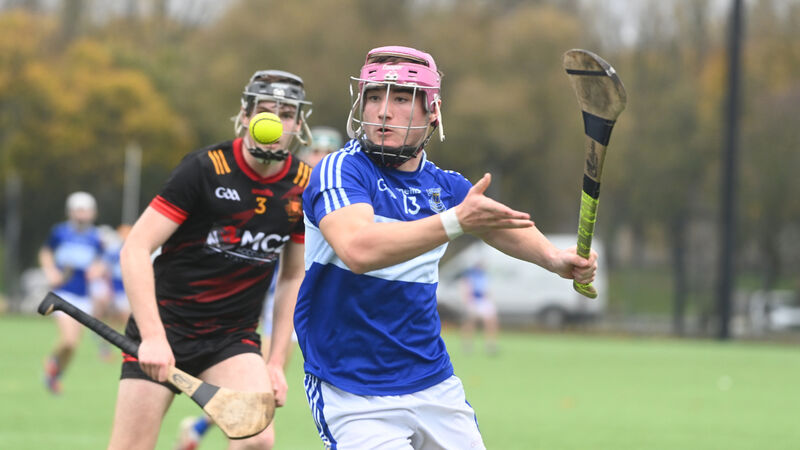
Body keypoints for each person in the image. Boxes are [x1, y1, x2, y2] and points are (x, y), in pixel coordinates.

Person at [294, 45, 598, 449]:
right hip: (352, 389)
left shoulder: (445, 185)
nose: (383, 111)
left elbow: (498, 225)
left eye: (401, 99)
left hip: (432, 383)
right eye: (373, 97)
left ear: (432, 112)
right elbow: (358, 249)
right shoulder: (340, 170)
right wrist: (455, 222)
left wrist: (554, 258)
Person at [108, 69, 313, 450]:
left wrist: (275, 362)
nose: (275, 121)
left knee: (258, 439)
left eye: (286, 114)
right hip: (165, 327)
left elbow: (292, 277)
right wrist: (153, 338)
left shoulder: (304, 185)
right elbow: (135, 247)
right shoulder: (204, 168)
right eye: (266, 110)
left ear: (298, 124)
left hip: (230, 340)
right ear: (245, 116)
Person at [174, 126, 343, 450]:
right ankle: (219, 431)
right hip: (281, 300)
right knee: (265, 380)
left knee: (270, 381)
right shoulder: (296, 190)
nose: (321, 157)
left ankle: (200, 429)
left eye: (328, 152)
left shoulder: (341, 195)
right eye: (316, 151)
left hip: (321, 299)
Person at [40, 191, 105, 394]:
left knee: (73, 346)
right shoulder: (60, 232)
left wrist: (97, 270)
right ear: (70, 212)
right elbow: (45, 252)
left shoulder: (95, 237)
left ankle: (54, 375)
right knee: (68, 340)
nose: (82, 214)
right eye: (78, 210)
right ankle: (51, 363)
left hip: (84, 296)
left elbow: (102, 260)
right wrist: (51, 271)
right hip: (62, 294)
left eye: (85, 210)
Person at [460, 261, 499, 355]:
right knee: (470, 323)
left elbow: (487, 290)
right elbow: (466, 289)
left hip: (484, 301)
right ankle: (467, 344)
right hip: (473, 300)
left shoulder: (485, 276)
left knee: (491, 322)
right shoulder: (470, 276)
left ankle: (490, 344)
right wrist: (468, 301)